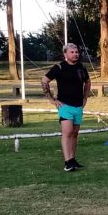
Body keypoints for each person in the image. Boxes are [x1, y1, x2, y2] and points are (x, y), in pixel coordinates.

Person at [41, 43, 92, 172]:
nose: (75, 54)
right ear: (65, 54)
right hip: (65, 105)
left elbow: (88, 82)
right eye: (72, 52)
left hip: (78, 106)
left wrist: (85, 97)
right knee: (67, 132)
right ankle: (67, 161)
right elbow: (44, 80)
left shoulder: (81, 67)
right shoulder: (59, 67)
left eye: (76, 52)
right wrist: (51, 99)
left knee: (75, 133)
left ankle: (73, 159)